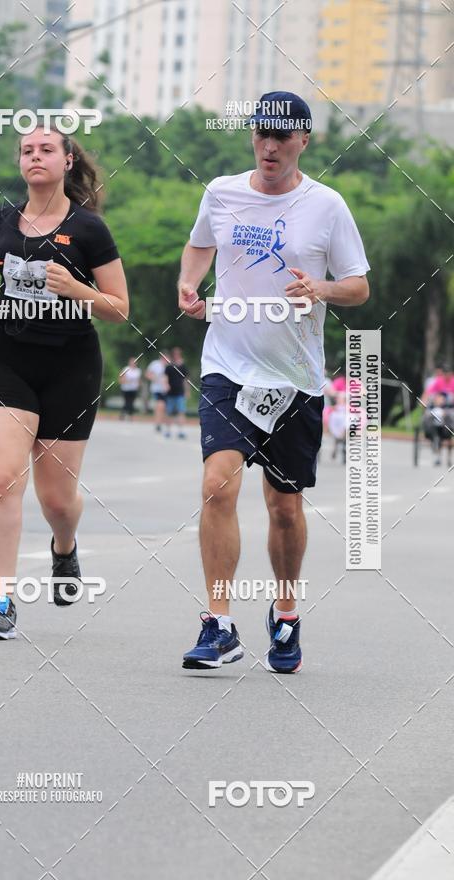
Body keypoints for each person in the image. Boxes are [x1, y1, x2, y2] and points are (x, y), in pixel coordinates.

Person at [178, 91, 370, 672]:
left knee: (284, 508)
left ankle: (285, 614)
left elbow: (358, 285)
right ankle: (219, 624)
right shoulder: (221, 192)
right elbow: (199, 244)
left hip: (294, 378)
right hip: (229, 365)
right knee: (218, 483)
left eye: (282, 136)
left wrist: (322, 289)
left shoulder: (327, 206)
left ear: (303, 141)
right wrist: (190, 285)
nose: (269, 144)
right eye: (262, 132)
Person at [0, 125, 129, 639]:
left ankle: (65, 547)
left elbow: (120, 308)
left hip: (70, 366)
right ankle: (3, 601)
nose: (35, 157)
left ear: (67, 161)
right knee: (5, 478)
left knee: (56, 500)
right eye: (27, 150)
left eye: (46, 150)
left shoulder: (89, 230)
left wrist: (76, 287)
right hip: (6, 359)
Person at [164, 346, 189, 439]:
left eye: (178, 354)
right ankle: (168, 431)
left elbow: (185, 380)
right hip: (170, 393)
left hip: (180, 393)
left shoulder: (183, 366)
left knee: (181, 411)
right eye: (175, 354)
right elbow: (165, 377)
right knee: (169, 412)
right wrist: (166, 385)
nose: (176, 355)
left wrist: (187, 391)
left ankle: (181, 431)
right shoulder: (169, 366)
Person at [145, 350, 169, 431]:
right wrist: (154, 378)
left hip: (166, 390)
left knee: (164, 407)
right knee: (160, 405)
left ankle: (161, 423)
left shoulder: (169, 365)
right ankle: (158, 423)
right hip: (157, 389)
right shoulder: (155, 364)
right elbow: (147, 374)